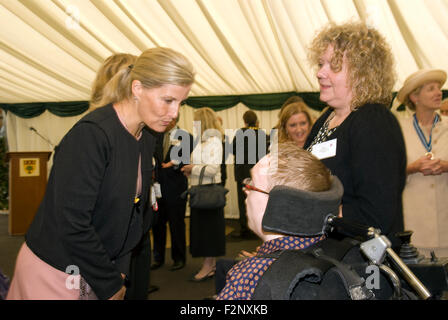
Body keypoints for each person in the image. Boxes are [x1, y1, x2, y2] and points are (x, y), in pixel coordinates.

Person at [6, 47, 195, 300]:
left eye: (180, 102)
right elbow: (71, 222)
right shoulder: (92, 135)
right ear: (137, 88)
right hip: (57, 272)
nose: (174, 113)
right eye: (168, 100)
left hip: (101, 268)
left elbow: (134, 215)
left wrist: (118, 270)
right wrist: (109, 282)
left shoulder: (147, 135)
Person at [304, 22, 407, 248]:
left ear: (363, 73)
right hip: (329, 254)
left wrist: (312, 213)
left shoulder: (373, 121)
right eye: (321, 64)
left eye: (334, 65)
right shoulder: (326, 119)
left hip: (363, 267)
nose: (320, 72)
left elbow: (376, 215)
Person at [217, 141, 342, 300]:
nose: (245, 189)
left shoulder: (245, 280)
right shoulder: (336, 248)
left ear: (278, 204)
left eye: (252, 185)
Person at [396, 69, 448, 257]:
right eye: (431, 89)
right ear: (415, 96)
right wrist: (413, 167)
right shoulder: (399, 129)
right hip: (415, 225)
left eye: (439, 88)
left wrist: (445, 166)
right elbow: (389, 171)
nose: (438, 92)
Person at [181, 107, 225, 281]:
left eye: (195, 120)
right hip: (200, 190)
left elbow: (213, 169)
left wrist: (193, 168)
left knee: (208, 232)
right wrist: (190, 170)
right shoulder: (202, 141)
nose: (193, 124)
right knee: (204, 231)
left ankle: (208, 266)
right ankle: (210, 265)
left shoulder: (214, 141)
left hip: (209, 192)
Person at [151, 117, 192, 271]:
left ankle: (179, 258)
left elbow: (185, 160)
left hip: (176, 188)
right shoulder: (156, 135)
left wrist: (173, 164)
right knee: (158, 225)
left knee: (177, 225)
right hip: (158, 188)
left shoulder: (185, 137)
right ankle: (158, 257)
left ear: (174, 120)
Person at [231, 110, 268, 239]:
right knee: (258, 201)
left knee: (243, 202)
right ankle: (257, 228)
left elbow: (232, 150)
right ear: (256, 120)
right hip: (257, 173)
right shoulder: (263, 134)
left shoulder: (240, 133)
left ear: (244, 121)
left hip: (242, 173)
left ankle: (244, 229)